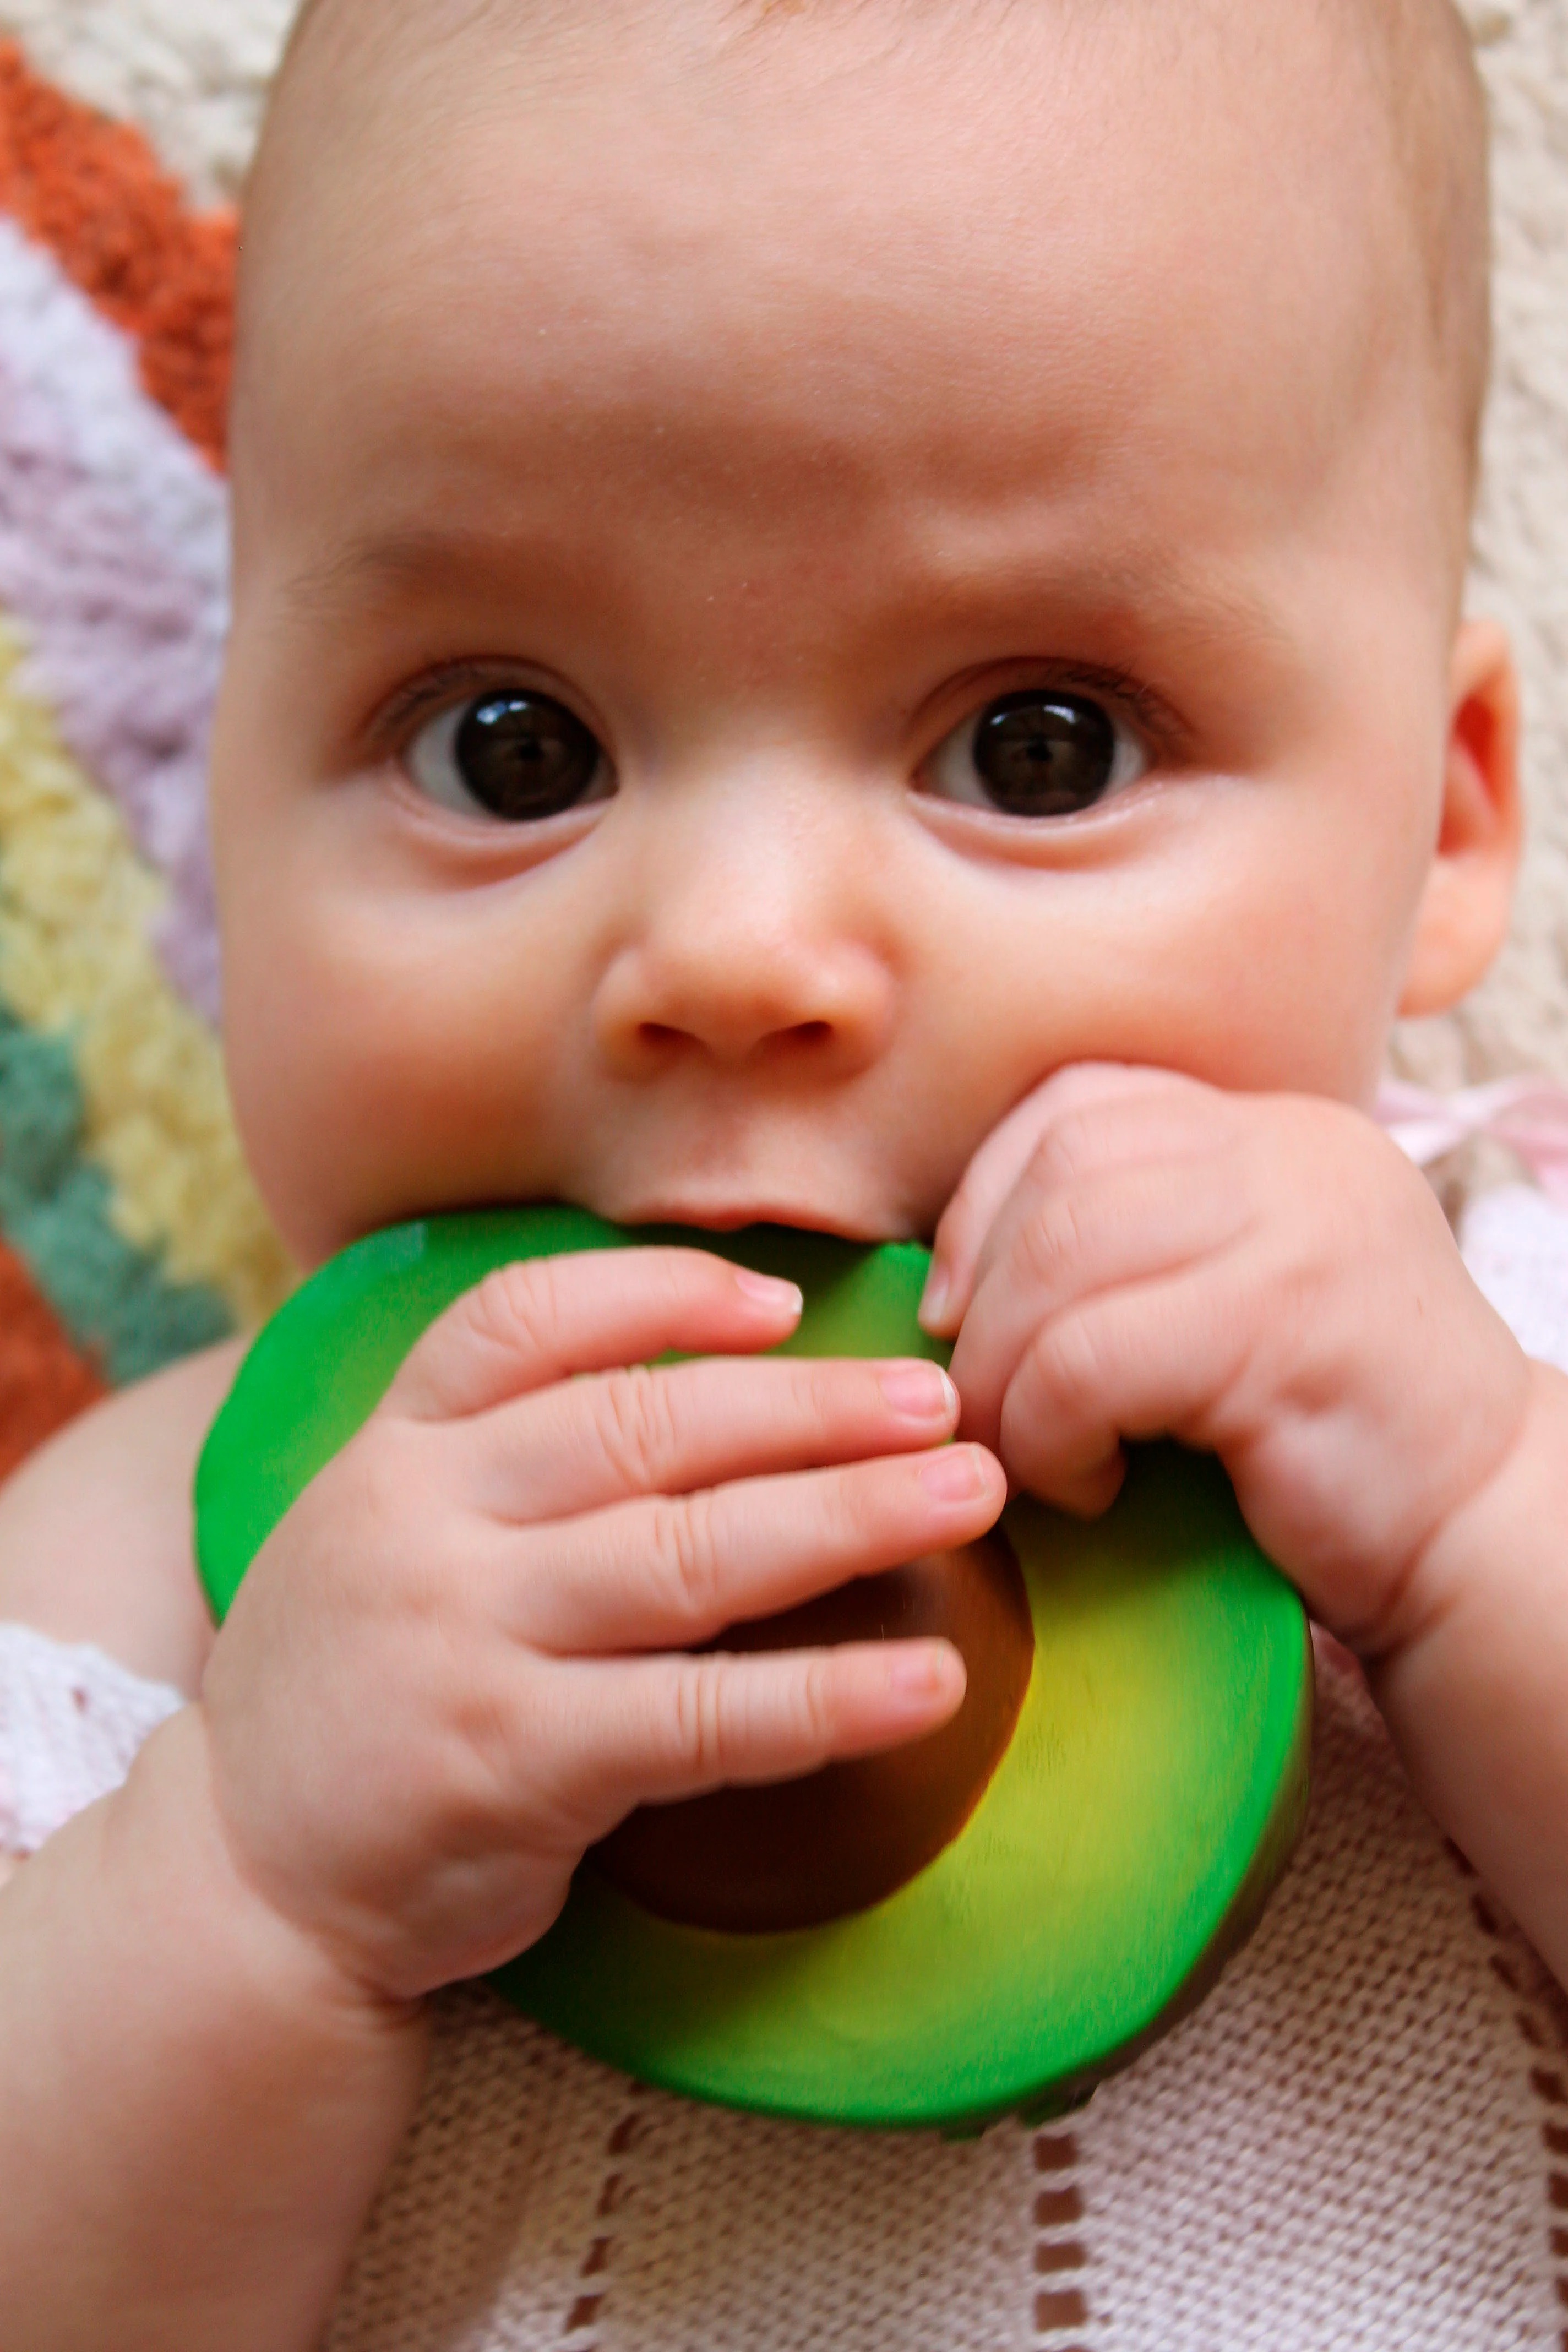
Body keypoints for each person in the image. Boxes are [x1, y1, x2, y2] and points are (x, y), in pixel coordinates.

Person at [2, 0, 1566, 2341]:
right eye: (505, 744)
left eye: (1038, 746)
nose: (732, 953)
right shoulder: (166, 1575)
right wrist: (242, 1889)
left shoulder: (1506, 1369)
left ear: (1436, 820)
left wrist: (1474, 1528)